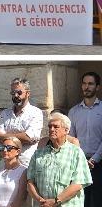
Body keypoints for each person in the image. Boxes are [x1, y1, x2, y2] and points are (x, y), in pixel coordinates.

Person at [27, 113, 92, 206]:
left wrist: (56, 201)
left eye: (55, 126)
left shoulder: (76, 153)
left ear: (66, 130)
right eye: (50, 126)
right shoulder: (38, 154)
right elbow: (30, 182)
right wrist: (40, 200)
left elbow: (78, 184)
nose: (51, 129)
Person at [68, 72, 102, 206]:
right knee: (82, 201)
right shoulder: (73, 111)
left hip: (99, 163)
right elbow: (70, 138)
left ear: (97, 87)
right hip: (79, 164)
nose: (86, 87)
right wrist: (82, 160)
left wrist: (94, 159)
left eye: (90, 84)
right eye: (84, 83)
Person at [0, 77, 43, 167]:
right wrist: (21, 135)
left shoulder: (36, 113)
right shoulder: (5, 113)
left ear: (28, 93)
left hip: (26, 163)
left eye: (19, 92)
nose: (16, 95)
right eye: (13, 93)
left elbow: (28, 138)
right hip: (6, 163)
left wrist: (5, 136)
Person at [0, 137, 27, 207]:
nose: (5, 150)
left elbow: (21, 198)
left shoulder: (23, 171)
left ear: (18, 151)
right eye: (2, 147)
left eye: (9, 148)